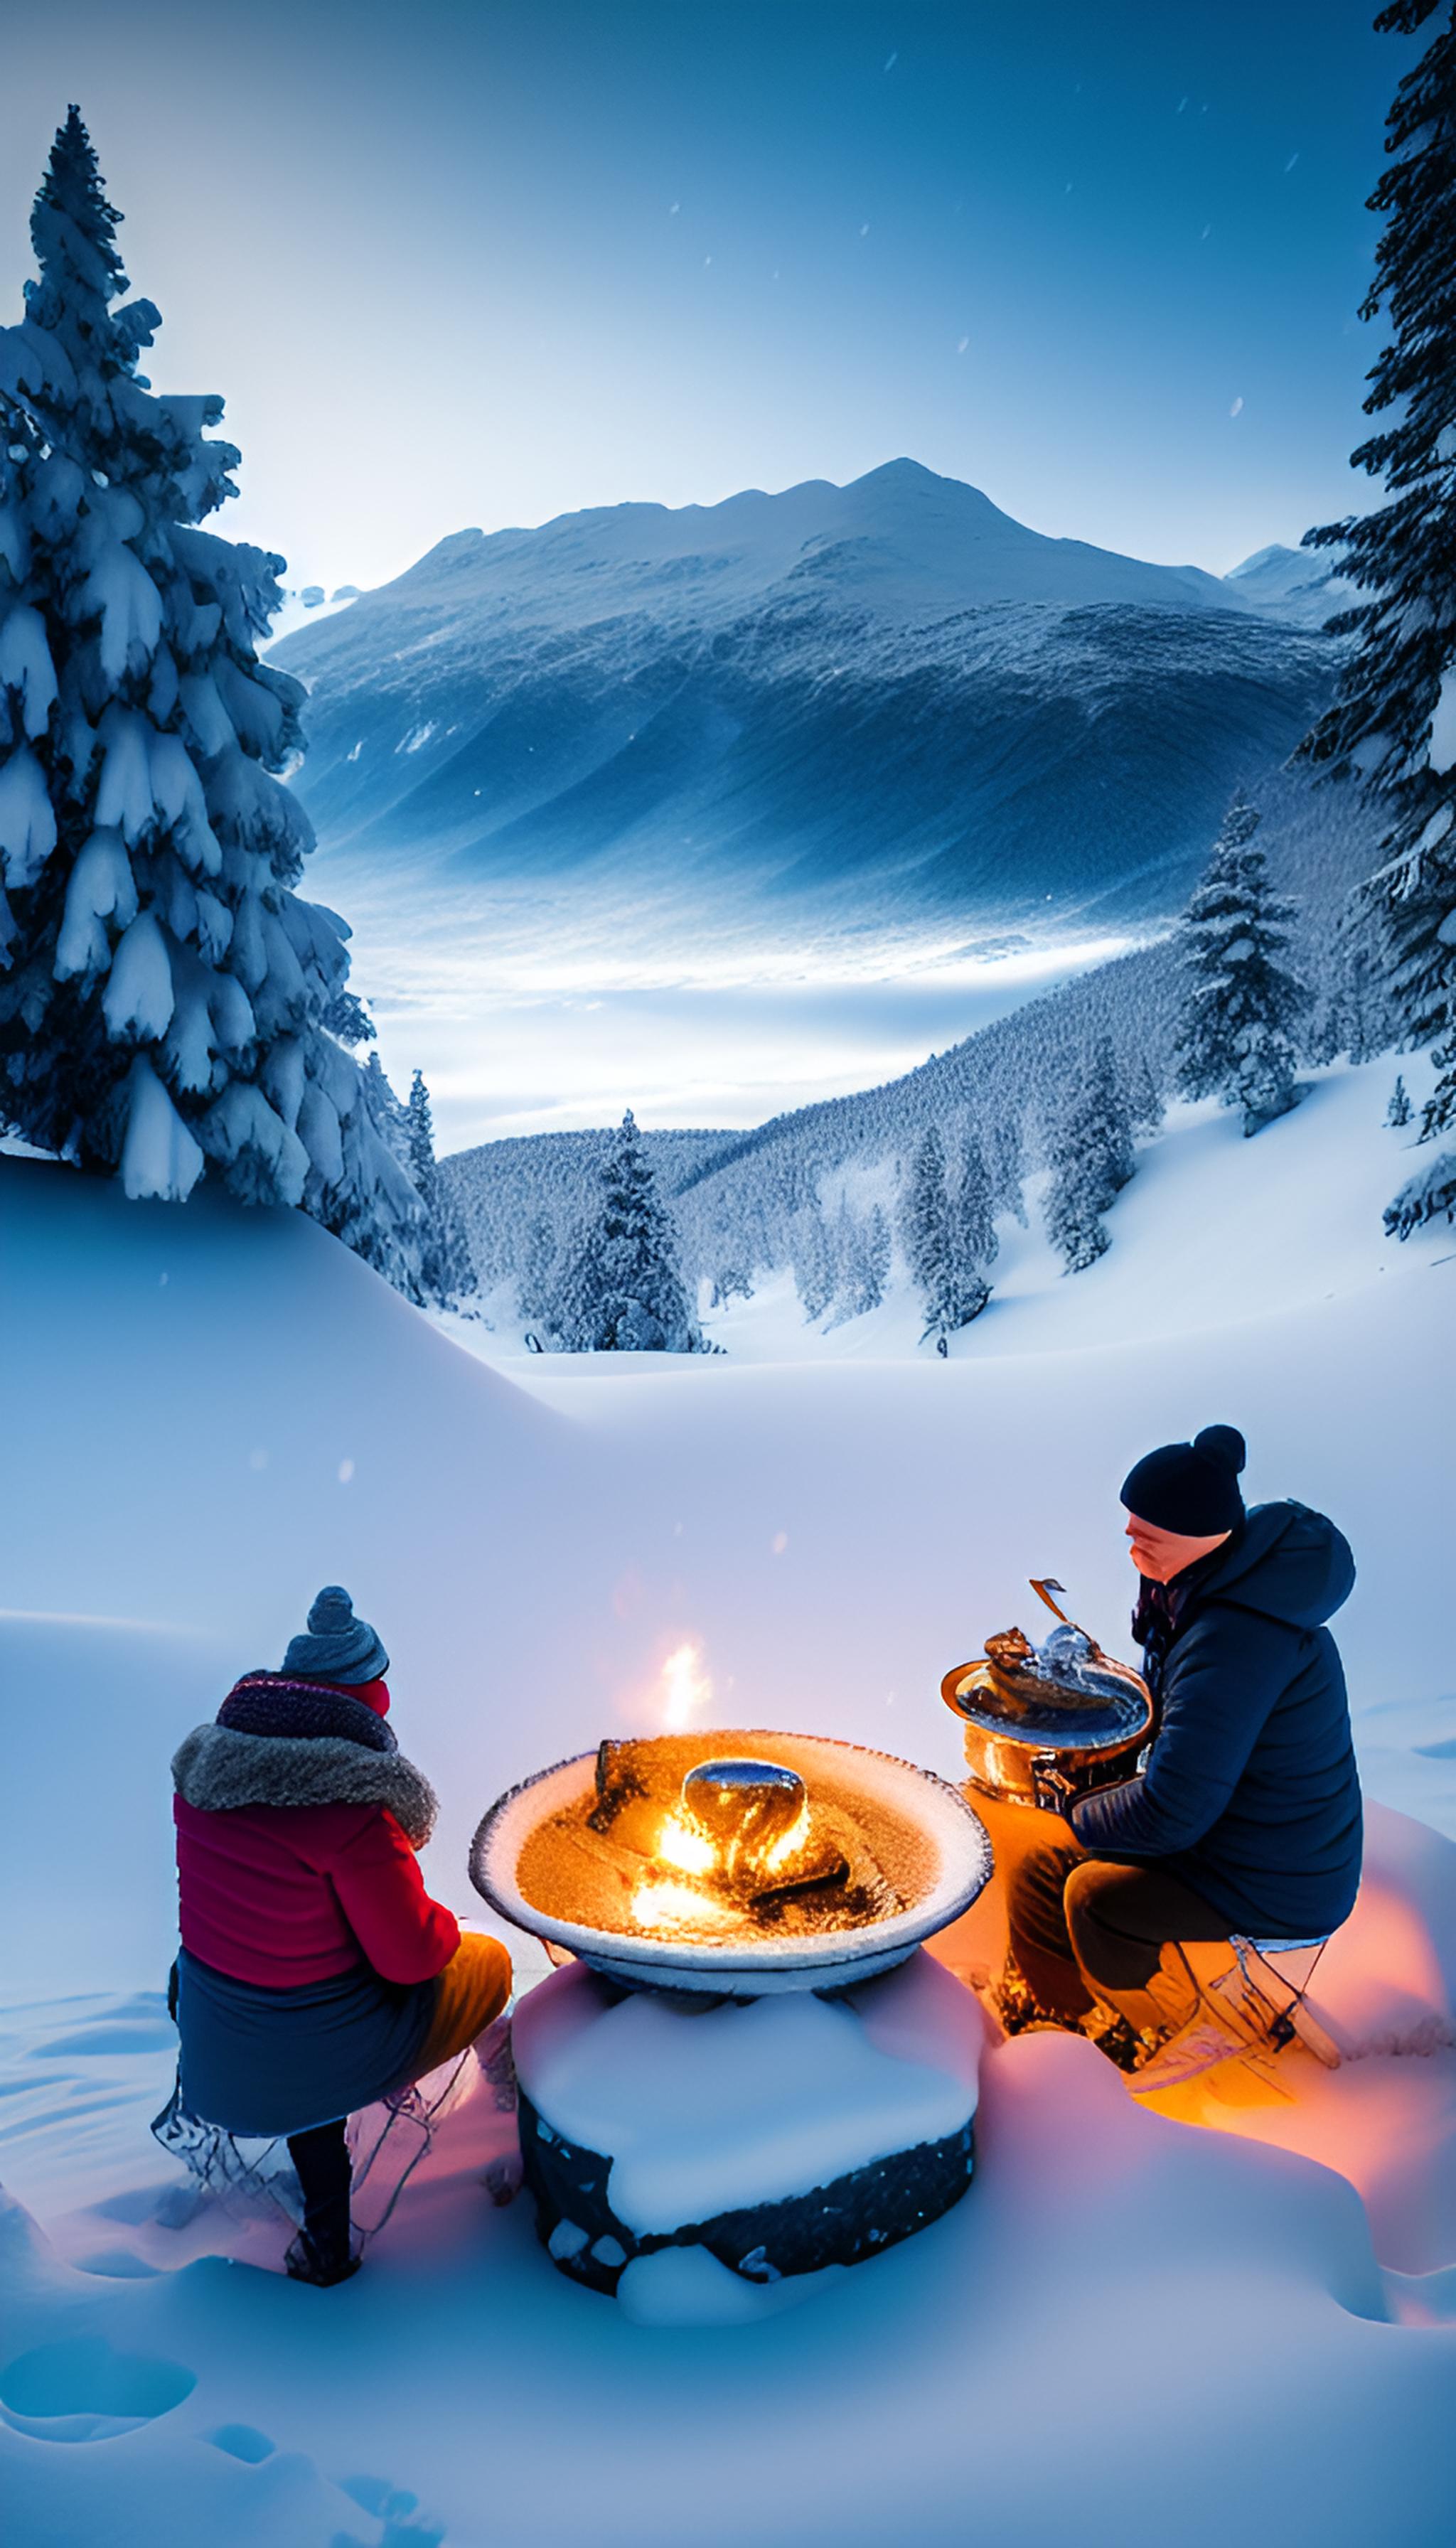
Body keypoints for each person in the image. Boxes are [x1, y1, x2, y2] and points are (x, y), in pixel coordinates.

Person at [168, 1586, 511, 2285]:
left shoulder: (203, 1782)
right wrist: (446, 1922)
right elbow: (413, 1956)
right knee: (488, 1961)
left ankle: (321, 2218)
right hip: (305, 2062)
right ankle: (504, 2124)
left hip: (214, 2058)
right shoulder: (351, 1807)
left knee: (282, 1984)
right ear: (369, 1699)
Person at [1005, 1424, 1362, 2070]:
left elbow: (1173, 1811)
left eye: (1149, 1529)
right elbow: (1188, 1727)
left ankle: (1151, 2034)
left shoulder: (1236, 1637)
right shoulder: (1212, 1589)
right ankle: (1063, 2016)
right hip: (1246, 1832)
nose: (1129, 1535)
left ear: (1201, 1536)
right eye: (1131, 1521)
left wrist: (1076, 1810)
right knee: (1040, 1870)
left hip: (1276, 1875)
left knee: (1096, 1902)